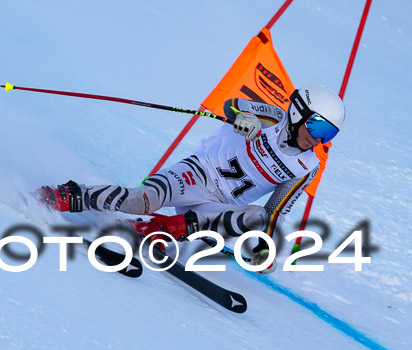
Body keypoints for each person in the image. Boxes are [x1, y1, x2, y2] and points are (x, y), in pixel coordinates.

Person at [37, 84, 345, 273]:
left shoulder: (307, 166)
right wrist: (244, 118)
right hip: (196, 173)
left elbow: (276, 212)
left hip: (215, 209)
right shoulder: (273, 116)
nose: (317, 139)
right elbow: (233, 105)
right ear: (298, 113)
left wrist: (263, 248)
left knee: (256, 216)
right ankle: (67, 195)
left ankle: (159, 229)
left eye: (328, 134)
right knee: (140, 200)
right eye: (317, 127)